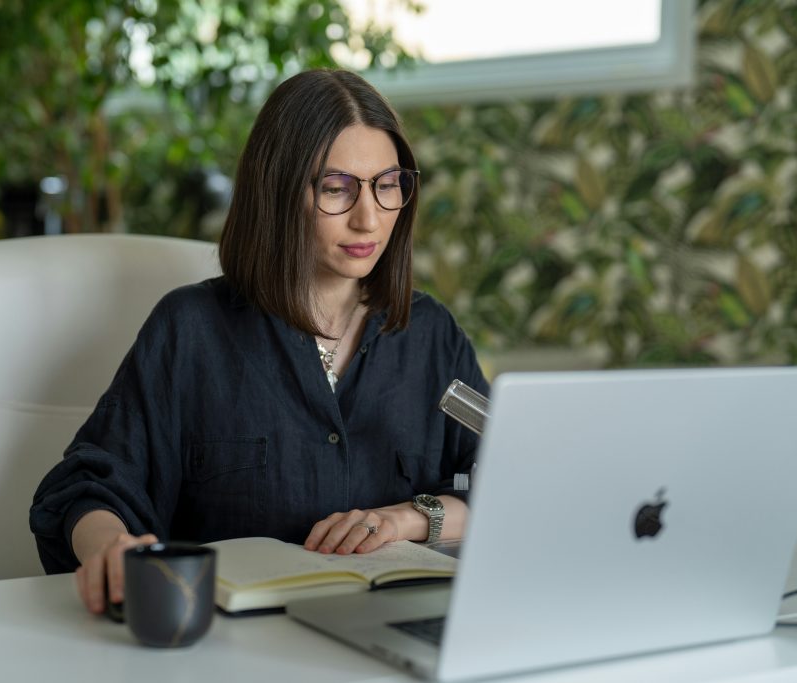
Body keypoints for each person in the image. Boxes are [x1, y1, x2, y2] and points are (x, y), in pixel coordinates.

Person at [29, 69, 489, 615]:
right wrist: (111, 548)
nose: (369, 218)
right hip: (232, 647)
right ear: (278, 192)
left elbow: (507, 484)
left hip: (395, 632)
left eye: (386, 185)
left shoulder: (431, 336)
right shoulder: (192, 331)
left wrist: (405, 518)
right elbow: (87, 488)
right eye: (336, 188)